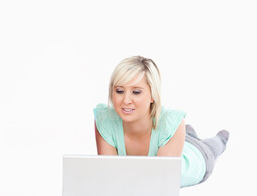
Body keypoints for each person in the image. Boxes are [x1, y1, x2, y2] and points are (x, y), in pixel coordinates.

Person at [94, 56, 229, 187]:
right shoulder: (105, 120)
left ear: (153, 95)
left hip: (197, 155)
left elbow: (158, 184)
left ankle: (219, 139)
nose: (126, 100)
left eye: (136, 92)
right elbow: (110, 177)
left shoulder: (171, 124)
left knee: (214, 145)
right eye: (119, 91)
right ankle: (189, 133)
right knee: (176, 133)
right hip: (169, 139)